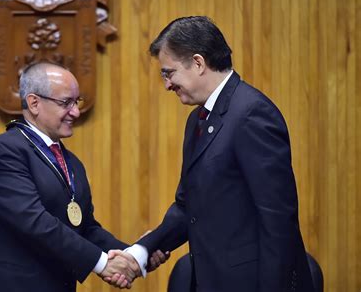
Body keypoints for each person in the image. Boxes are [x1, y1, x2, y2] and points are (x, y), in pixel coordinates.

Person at [122, 16, 315, 291]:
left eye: (169, 73)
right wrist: (142, 251)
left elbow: (277, 220)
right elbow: (188, 207)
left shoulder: (251, 114)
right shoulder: (198, 120)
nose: (167, 85)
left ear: (198, 63)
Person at [0, 62, 140, 291]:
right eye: (65, 102)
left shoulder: (71, 162)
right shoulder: (6, 151)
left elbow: (85, 228)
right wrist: (103, 263)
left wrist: (135, 253)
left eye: (76, 102)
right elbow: (34, 222)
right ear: (34, 103)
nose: (75, 112)